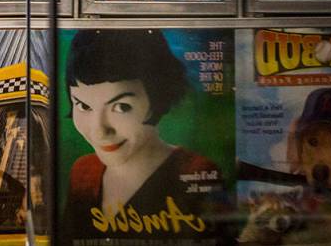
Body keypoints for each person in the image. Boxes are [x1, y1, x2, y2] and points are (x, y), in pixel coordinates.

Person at [63, 30, 229, 243]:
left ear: (158, 98)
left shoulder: (197, 173)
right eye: (83, 105)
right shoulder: (83, 172)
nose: (99, 131)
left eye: (121, 107)